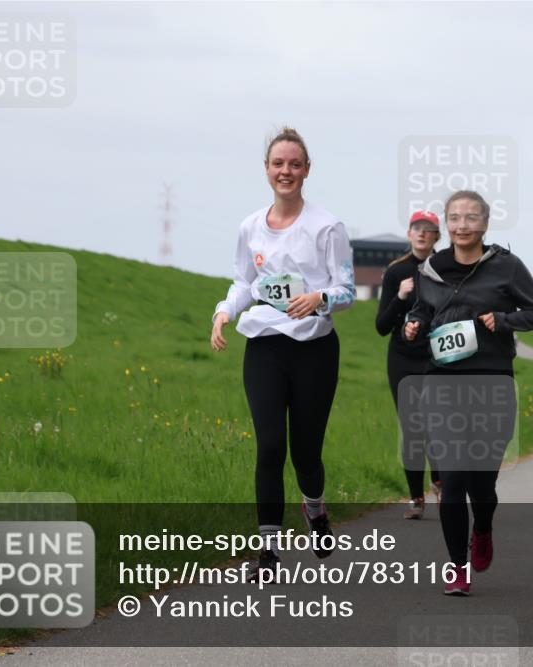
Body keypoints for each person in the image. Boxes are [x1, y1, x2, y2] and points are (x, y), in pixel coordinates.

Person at [210, 127, 355, 580]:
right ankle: (269, 553)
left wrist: (320, 299)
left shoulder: (326, 226)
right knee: (270, 446)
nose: (285, 171)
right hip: (265, 346)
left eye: (294, 164)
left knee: (306, 453)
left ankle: (314, 509)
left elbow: (347, 289)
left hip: (313, 348)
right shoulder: (250, 227)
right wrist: (224, 312)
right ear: (267, 169)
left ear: (307, 170)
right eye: (278, 163)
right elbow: (242, 282)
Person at [403, 190, 533, 596]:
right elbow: (421, 309)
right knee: (452, 480)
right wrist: (412, 325)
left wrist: (502, 320)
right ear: (446, 225)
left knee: (482, 487)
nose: (462, 225)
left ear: (485, 224)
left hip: (491, 382)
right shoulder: (430, 269)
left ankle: (482, 528)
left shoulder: (506, 267)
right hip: (441, 382)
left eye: (471, 218)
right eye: (455, 218)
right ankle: (457, 567)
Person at [375, 211, 443, 519]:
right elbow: (381, 325)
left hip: (435, 356)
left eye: (429, 230)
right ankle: (416, 497)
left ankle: (440, 482)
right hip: (401, 357)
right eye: (417, 228)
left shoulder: (447, 269)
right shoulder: (395, 272)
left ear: (436, 237)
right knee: (412, 427)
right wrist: (401, 297)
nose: (422, 234)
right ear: (409, 233)